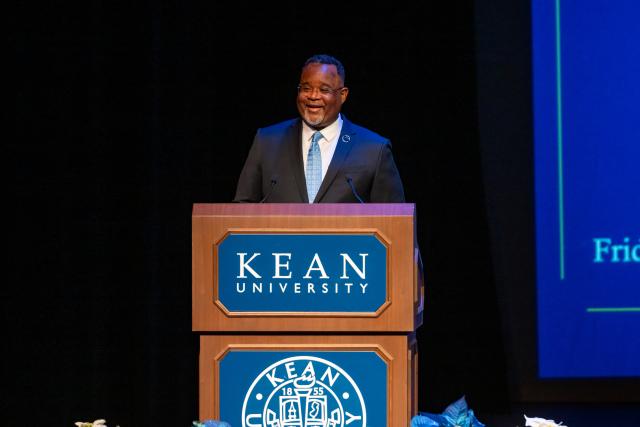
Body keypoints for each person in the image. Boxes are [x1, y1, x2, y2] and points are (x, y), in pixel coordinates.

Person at [233, 54, 405, 203]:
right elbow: (242, 207)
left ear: (343, 95)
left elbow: (394, 220)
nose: (313, 96)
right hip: (280, 242)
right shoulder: (267, 141)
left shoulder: (374, 150)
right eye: (306, 88)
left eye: (324, 89)